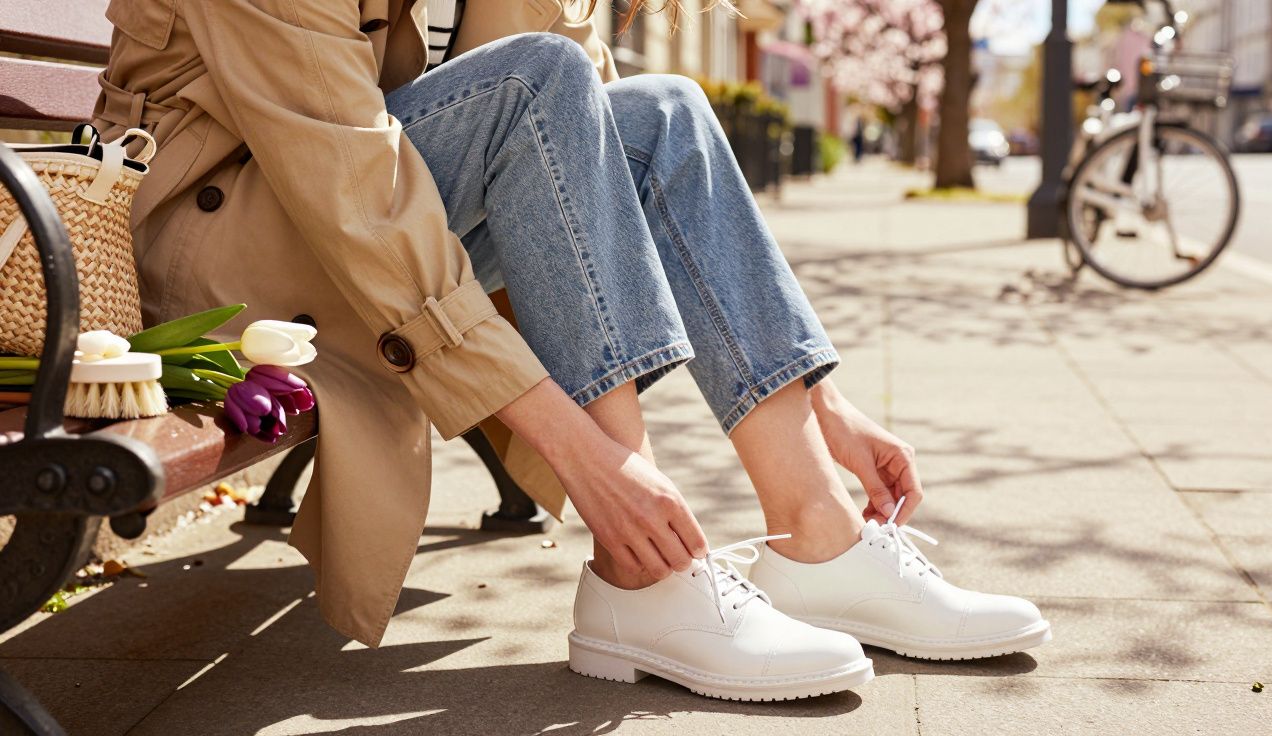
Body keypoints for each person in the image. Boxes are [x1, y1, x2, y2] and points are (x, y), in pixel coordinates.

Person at [94, 0, 1049, 701]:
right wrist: (586, 455)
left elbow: (585, 141)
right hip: (214, 259)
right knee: (534, 83)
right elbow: (356, 190)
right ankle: (643, 573)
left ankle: (819, 532)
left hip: (349, 217)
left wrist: (823, 404)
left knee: (663, 114)